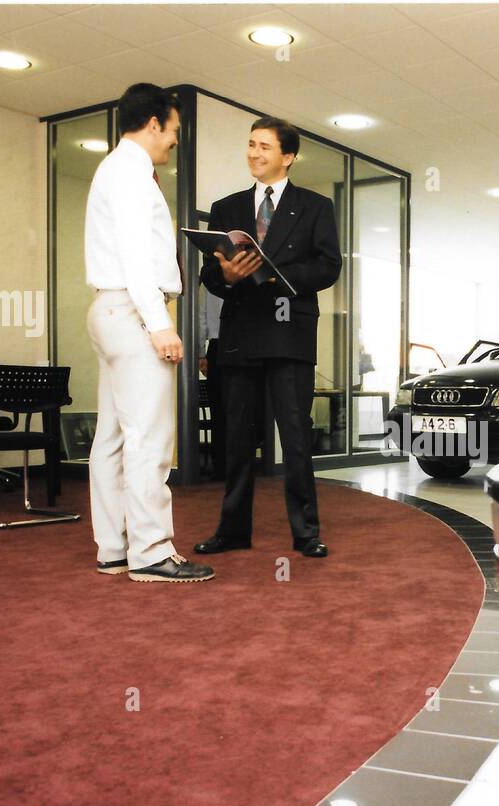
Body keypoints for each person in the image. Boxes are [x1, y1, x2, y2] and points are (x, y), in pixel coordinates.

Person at [194, 117, 342, 559]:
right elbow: (209, 276)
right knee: (236, 439)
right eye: (251, 145)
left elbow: (328, 267)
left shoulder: (315, 207)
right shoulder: (227, 207)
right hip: (239, 337)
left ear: (288, 156)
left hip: (289, 335)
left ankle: (305, 533)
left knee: (295, 439)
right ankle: (232, 530)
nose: (254, 153)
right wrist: (225, 273)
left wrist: (276, 276)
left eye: (264, 147)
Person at [84, 83, 213, 583]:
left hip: (111, 310)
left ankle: (114, 547)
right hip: (135, 311)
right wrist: (159, 323)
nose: (175, 140)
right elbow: (137, 254)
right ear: (155, 122)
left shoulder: (113, 168)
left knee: (114, 437)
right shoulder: (132, 172)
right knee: (149, 438)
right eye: (174, 130)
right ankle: (152, 551)